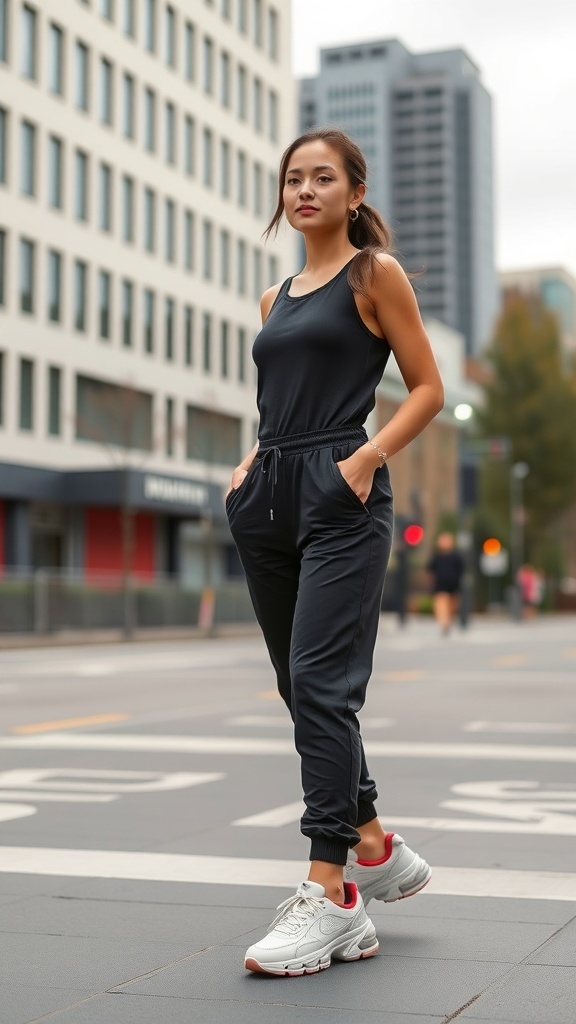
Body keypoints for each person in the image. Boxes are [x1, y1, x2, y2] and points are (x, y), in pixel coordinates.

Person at [225, 127, 444, 977]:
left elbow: (428, 387)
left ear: (355, 193)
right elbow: (274, 398)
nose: (304, 190)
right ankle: (374, 839)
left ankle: (335, 892)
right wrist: (251, 461)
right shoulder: (274, 296)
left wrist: (363, 459)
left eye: (323, 178)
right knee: (298, 684)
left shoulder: (372, 275)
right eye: (292, 179)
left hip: (339, 488)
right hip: (268, 491)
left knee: (322, 683)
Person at [427, 532, 465, 635]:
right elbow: (430, 570)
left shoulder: (456, 556)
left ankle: (448, 622)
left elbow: (461, 570)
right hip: (440, 585)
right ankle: (444, 623)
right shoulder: (436, 557)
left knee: (452, 606)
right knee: (441, 604)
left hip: (453, 585)